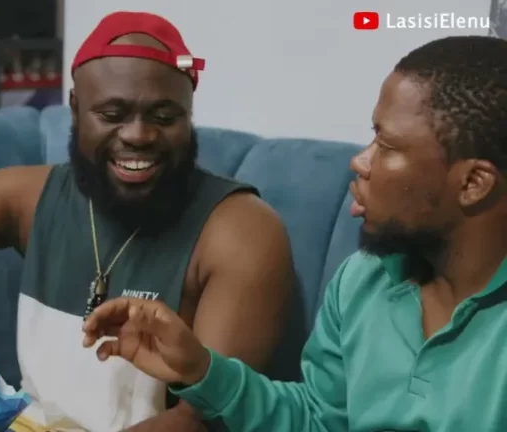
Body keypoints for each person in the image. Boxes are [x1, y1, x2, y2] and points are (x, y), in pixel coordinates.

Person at [0, 11, 296, 432]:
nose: (138, 134)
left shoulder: (239, 231)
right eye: (112, 113)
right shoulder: (29, 197)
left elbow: (204, 421)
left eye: (165, 116)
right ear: (75, 109)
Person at [82, 34, 507, 432]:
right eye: (372, 137)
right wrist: (201, 369)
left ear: (473, 183)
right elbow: (319, 419)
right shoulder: (363, 279)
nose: (360, 162)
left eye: (388, 146)